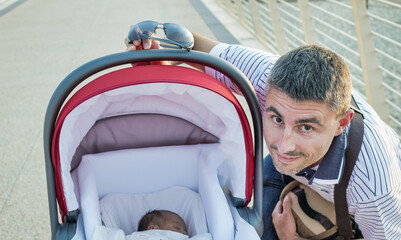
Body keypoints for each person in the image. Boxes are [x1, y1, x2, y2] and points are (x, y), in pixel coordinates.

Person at [125, 27, 401, 240]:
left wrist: (291, 238)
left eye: (306, 127)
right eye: (277, 118)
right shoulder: (262, 76)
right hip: (298, 170)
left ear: (342, 123)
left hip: (347, 195)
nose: (283, 144)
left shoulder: (374, 189)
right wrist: (153, 44)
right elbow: (191, 44)